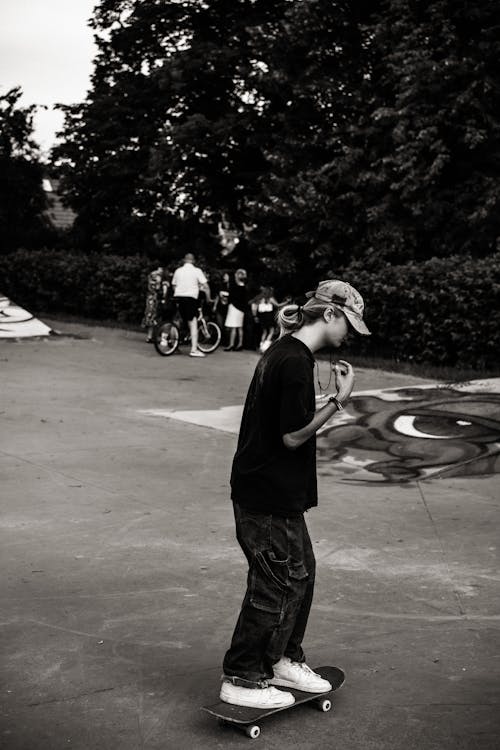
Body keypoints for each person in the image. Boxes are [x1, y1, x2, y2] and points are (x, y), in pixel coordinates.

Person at [219, 279, 371, 709]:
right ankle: (243, 677)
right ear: (329, 314)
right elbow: (290, 437)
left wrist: (318, 401)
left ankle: (284, 657)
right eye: (349, 324)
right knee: (275, 584)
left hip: (273, 490)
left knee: (301, 572)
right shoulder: (293, 362)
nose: (349, 335)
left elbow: (283, 416)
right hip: (265, 494)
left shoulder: (287, 353)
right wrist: (338, 402)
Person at [171, 253, 212, 358]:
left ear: (184, 260)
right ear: (193, 261)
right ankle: (194, 349)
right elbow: (206, 286)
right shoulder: (197, 271)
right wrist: (208, 298)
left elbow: (174, 285)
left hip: (178, 297)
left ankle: (173, 344)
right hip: (190, 298)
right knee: (193, 322)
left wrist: (179, 291)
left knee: (177, 321)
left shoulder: (178, 271)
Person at [224, 268, 249, 351]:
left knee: (234, 327)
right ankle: (240, 344)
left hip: (235, 308)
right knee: (239, 327)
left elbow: (232, 296)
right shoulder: (244, 287)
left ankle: (231, 344)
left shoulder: (236, 287)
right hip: (241, 309)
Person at [253, 285, 279, 353]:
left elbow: (254, 307)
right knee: (271, 331)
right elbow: (278, 305)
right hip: (269, 316)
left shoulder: (261, 298)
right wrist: (287, 302)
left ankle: (261, 346)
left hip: (262, 316)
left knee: (264, 332)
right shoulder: (271, 299)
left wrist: (255, 316)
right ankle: (264, 348)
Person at [141, 266, 165, 342]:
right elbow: (157, 288)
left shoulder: (153, 275)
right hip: (154, 298)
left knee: (152, 316)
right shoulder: (155, 276)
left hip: (152, 298)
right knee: (153, 316)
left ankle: (151, 336)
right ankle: (150, 336)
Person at [212, 272, 231, 344]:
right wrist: (215, 306)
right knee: (220, 324)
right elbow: (217, 296)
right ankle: (220, 340)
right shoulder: (220, 286)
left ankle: (227, 341)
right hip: (220, 307)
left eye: (226, 276)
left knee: (227, 325)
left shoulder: (231, 287)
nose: (225, 277)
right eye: (224, 276)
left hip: (228, 308)